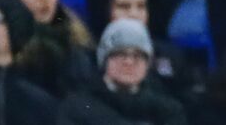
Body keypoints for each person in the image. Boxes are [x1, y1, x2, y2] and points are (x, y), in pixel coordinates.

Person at [57, 19, 186, 125]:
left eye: (138, 55)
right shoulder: (77, 107)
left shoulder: (169, 110)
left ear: (147, 63)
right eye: (120, 53)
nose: (129, 62)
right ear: (104, 59)